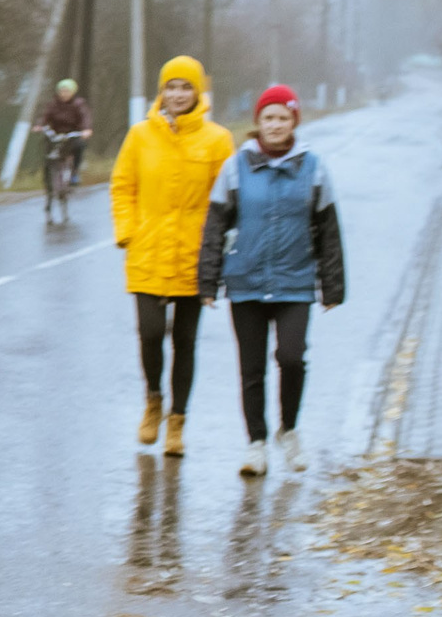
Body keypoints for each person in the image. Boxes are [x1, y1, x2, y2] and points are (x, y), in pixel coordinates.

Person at [200, 84, 344, 476]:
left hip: (294, 281)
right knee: (251, 369)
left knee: (292, 358)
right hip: (245, 281)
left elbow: (329, 229)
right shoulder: (236, 167)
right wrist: (207, 282)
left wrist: (332, 286)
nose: (276, 125)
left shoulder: (313, 167)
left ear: (294, 121)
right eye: (269, 118)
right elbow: (215, 225)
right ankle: (256, 444)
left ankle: (289, 430)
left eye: (283, 118)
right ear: (258, 122)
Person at [110, 55, 234, 458]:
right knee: (149, 333)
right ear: (161, 92)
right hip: (147, 251)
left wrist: (217, 250)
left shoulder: (217, 140)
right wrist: (128, 232)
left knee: (185, 340)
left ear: (199, 92)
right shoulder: (140, 135)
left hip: (194, 257)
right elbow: (122, 185)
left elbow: (227, 200)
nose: (178, 95)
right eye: (171, 87)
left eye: (186, 87)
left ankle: (178, 420)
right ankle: (153, 401)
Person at [37, 77, 94, 184]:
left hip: (73, 133)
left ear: (72, 92)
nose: (63, 94)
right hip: (56, 133)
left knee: (79, 146)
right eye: (61, 91)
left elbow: (85, 116)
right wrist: (39, 125)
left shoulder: (79, 104)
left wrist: (86, 129)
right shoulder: (53, 104)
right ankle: (48, 175)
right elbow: (45, 116)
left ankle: (75, 172)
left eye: (67, 91)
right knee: (46, 146)